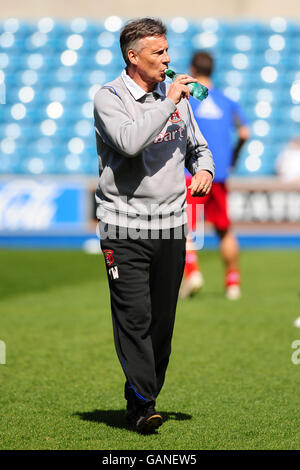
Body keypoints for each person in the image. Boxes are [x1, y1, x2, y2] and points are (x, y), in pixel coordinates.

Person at [93, 18, 214, 434]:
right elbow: (129, 142)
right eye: (158, 53)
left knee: (162, 323)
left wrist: (205, 172)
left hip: (171, 227)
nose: (167, 59)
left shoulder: (175, 97)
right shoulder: (108, 97)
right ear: (133, 56)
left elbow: (199, 147)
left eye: (167, 51)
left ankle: (142, 396)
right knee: (135, 319)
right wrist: (169, 101)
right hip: (123, 229)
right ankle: (143, 406)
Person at [180, 51, 250, 300]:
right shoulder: (224, 99)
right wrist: (232, 158)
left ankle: (193, 273)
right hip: (219, 174)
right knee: (224, 229)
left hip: (194, 172)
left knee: (185, 229)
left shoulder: (188, 97)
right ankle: (233, 283)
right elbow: (244, 133)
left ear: (192, 67)